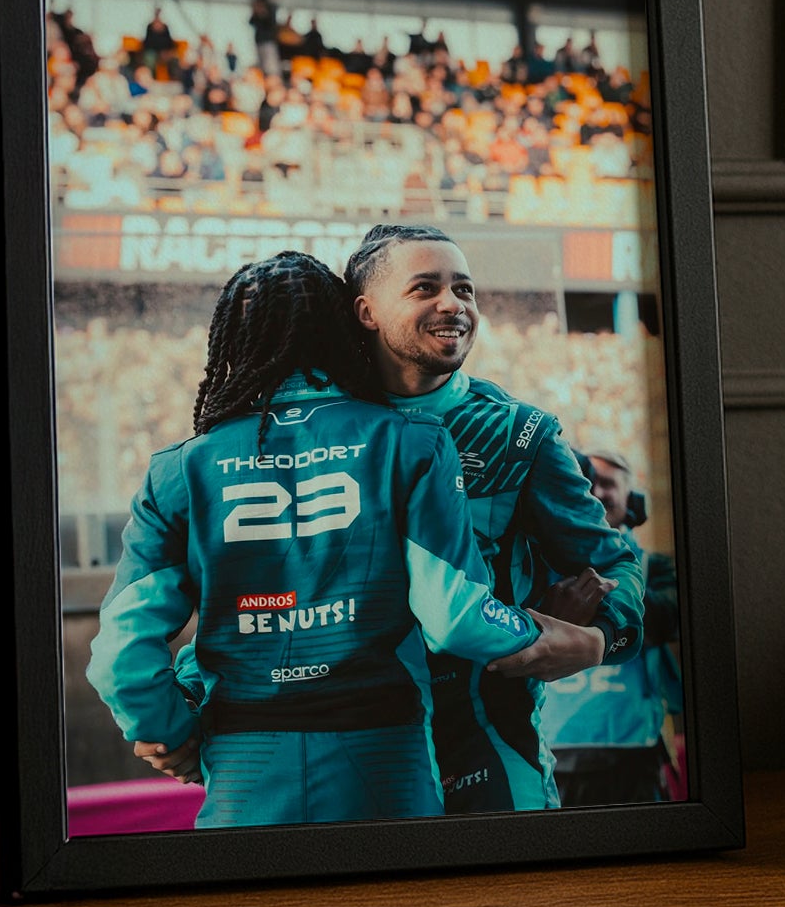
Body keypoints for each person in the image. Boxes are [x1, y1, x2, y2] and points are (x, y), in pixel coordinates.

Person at [86, 251, 550, 829]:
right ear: (345, 330)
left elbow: (119, 656)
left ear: (232, 343)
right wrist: (547, 631)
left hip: (243, 770)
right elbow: (454, 617)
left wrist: (173, 733)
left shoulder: (179, 471)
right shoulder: (412, 441)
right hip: (385, 763)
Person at [345, 224, 646, 813]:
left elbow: (614, 563)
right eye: (425, 288)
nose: (452, 304)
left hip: (487, 743)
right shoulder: (316, 429)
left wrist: (596, 640)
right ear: (367, 311)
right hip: (354, 744)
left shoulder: (519, 433)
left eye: (464, 289)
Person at [542, 449, 682, 805]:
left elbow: (667, 620)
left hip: (633, 754)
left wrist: (586, 594)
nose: (595, 491)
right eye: (586, 482)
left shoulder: (655, 567)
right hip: (552, 752)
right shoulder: (536, 563)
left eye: (607, 483)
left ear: (633, 499)